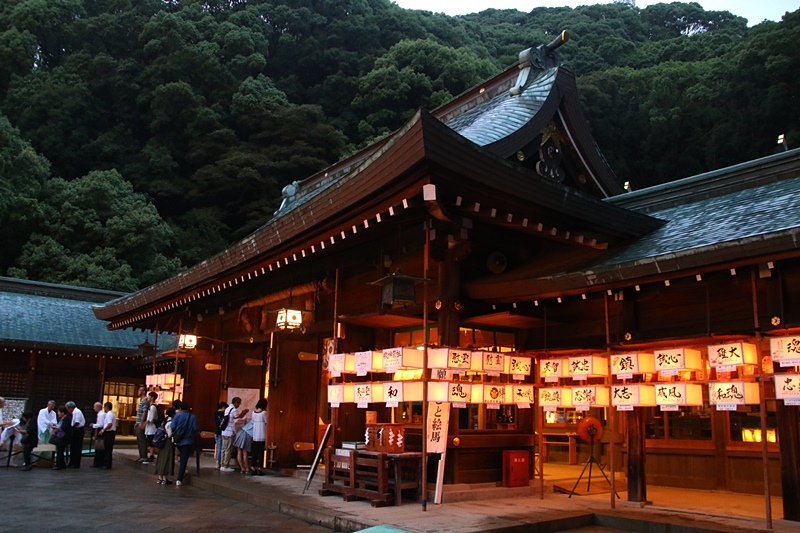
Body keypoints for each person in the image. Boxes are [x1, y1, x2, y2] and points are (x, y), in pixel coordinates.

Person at [170, 401, 198, 486]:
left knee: (178, 457)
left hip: (178, 440)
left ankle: (177, 474)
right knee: (183, 459)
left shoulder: (177, 416)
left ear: (180, 409)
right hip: (188, 440)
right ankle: (179, 478)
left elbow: (172, 427)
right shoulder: (193, 417)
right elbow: (195, 428)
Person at [220, 397, 248, 472]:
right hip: (229, 432)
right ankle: (226, 465)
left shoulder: (227, 409)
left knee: (223, 448)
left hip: (224, 431)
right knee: (228, 449)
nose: (239, 405)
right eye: (239, 403)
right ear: (236, 402)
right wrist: (243, 413)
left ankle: (222, 464)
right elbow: (237, 418)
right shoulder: (234, 410)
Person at [154, 407, 175, 484]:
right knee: (167, 458)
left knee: (161, 458)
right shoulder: (171, 422)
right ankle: (165, 478)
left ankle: (160, 477)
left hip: (162, 441)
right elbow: (169, 434)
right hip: (167, 442)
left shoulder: (164, 421)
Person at [250, 399, 267, 475]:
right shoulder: (264, 413)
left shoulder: (253, 413)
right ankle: (259, 468)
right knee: (261, 452)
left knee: (255, 452)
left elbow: (252, 422)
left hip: (255, 433)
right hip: (262, 433)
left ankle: (253, 467)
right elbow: (266, 421)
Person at [65, 401, 85, 468]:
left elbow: (77, 422)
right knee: (73, 447)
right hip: (76, 430)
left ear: (70, 408)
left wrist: (71, 428)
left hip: (78, 430)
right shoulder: (74, 412)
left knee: (77, 447)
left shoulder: (77, 412)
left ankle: (75, 463)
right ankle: (72, 462)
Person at [51, 405, 71, 470]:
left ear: (63, 413)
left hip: (63, 437)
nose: (58, 413)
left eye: (59, 412)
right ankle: (62, 464)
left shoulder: (66, 419)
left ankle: (59, 464)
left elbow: (63, 428)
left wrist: (55, 427)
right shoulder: (63, 419)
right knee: (60, 450)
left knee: (60, 450)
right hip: (62, 436)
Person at [98, 402, 117, 469]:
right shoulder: (112, 414)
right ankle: (107, 463)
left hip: (109, 433)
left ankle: (107, 464)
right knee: (108, 449)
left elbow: (109, 424)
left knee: (107, 449)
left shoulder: (109, 414)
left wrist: (103, 430)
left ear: (106, 407)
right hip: (111, 432)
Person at [135, 386, 149, 463]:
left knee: (142, 440)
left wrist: (142, 422)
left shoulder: (145, 400)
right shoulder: (141, 400)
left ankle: (144, 456)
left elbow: (145, 411)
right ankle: (141, 456)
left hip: (140, 422)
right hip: (138, 422)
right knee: (139, 440)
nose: (138, 391)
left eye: (140, 390)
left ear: (144, 392)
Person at [144, 391, 159, 464]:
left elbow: (151, 419)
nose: (148, 398)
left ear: (152, 398)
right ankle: (152, 456)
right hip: (149, 428)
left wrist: (143, 424)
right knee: (149, 443)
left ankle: (151, 456)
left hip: (152, 429)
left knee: (151, 444)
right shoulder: (151, 406)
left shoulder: (153, 407)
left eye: (149, 396)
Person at [213, 401, 228, 470]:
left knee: (218, 447)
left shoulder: (215, 414)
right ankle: (218, 462)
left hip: (216, 432)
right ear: (223, 408)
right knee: (220, 448)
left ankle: (217, 462)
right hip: (221, 432)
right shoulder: (222, 415)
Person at [91, 402, 106, 468]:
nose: (94, 408)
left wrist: (93, 425)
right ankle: (98, 462)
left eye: (94, 407)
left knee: (99, 448)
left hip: (101, 432)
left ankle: (98, 462)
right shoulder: (100, 414)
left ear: (98, 407)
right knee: (99, 448)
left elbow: (101, 424)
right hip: (99, 431)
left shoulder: (101, 415)